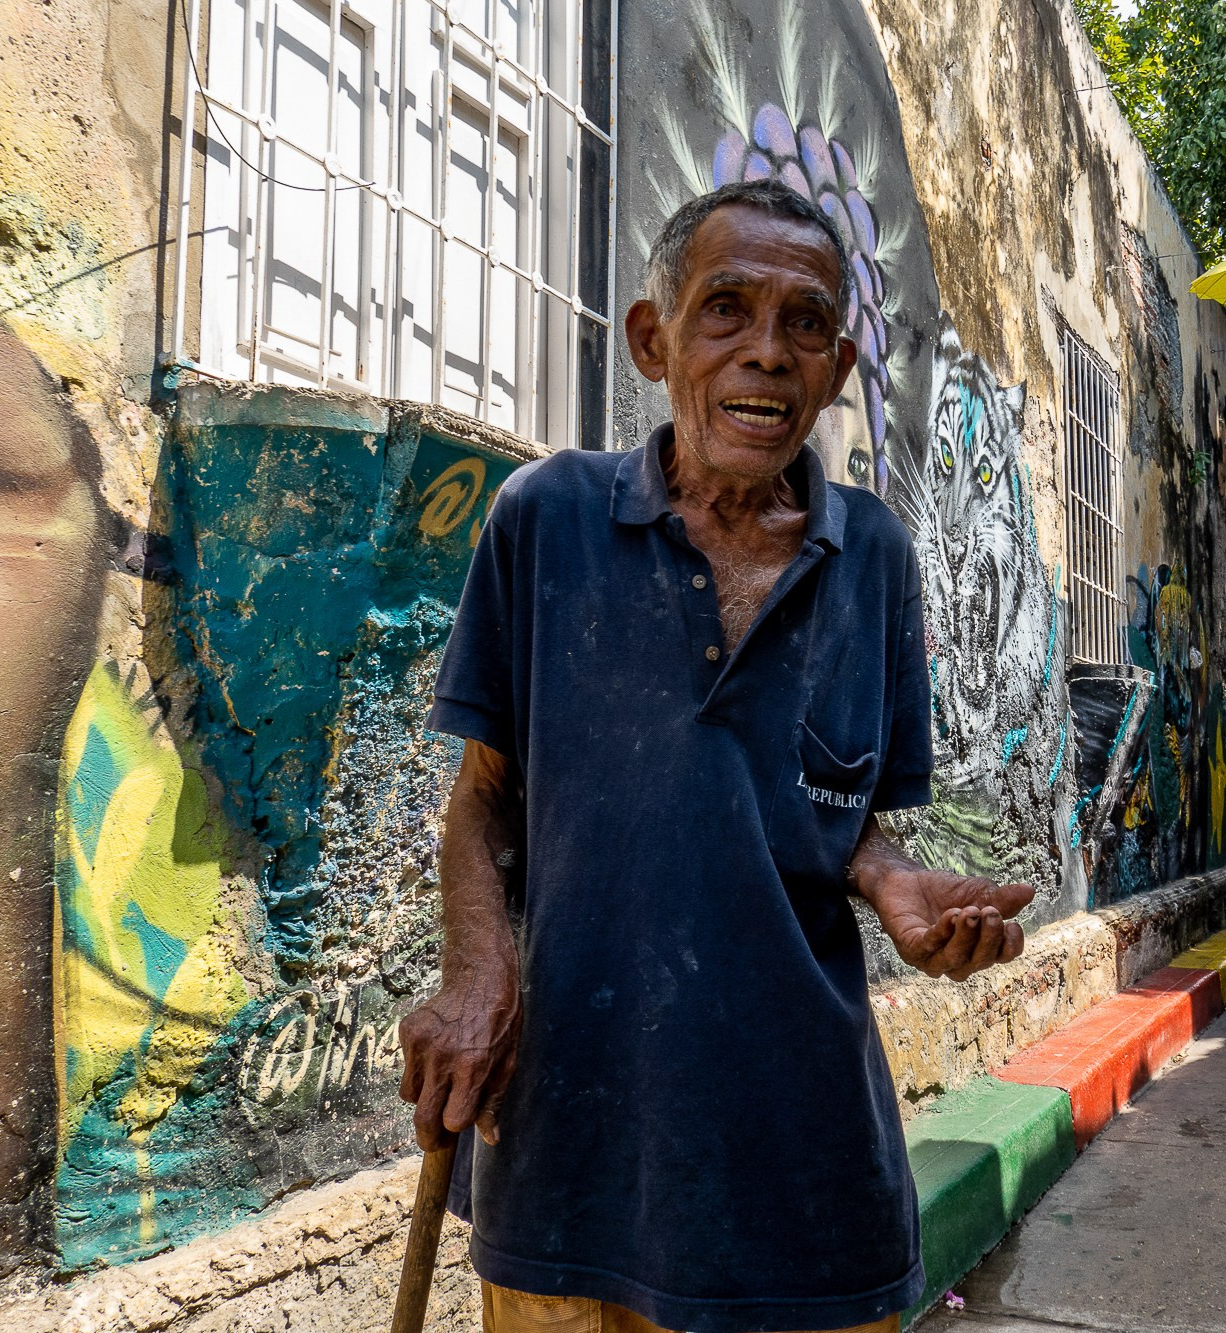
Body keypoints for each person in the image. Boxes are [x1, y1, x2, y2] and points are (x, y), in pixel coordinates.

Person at [396, 180, 1036, 1333]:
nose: (765, 355)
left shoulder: (875, 557)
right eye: (725, 310)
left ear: (835, 371)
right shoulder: (542, 519)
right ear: (655, 339)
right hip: (568, 1155)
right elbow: (487, 801)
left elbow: (845, 819)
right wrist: (478, 977)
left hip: (805, 1172)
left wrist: (899, 890)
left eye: (802, 325)